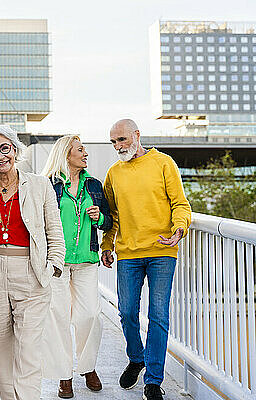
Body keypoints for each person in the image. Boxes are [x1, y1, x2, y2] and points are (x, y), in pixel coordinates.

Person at [0, 124, 65, 400]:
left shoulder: (39, 185)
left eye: (4, 148)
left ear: (15, 150)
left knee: (28, 350)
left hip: (32, 271)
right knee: (0, 350)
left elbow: (54, 231)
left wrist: (53, 266)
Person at [101, 119, 191, 400]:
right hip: (128, 252)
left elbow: (180, 204)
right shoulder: (114, 173)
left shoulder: (163, 163)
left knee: (158, 315)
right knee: (127, 312)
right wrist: (106, 244)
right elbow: (111, 216)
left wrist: (179, 229)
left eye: (122, 140)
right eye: (114, 142)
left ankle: (153, 380)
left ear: (137, 136)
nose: (118, 147)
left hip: (162, 250)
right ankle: (136, 357)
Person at [41, 135, 113, 399]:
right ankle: (64, 375)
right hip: (57, 261)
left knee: (90, 315)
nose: (85, 154)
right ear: (66, 154)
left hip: (86, 260)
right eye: (80, 150)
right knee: (57, 316)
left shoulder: (93, 185)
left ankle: (87, 366)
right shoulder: (48, 184)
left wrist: (99, 216)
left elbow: (108, 222)